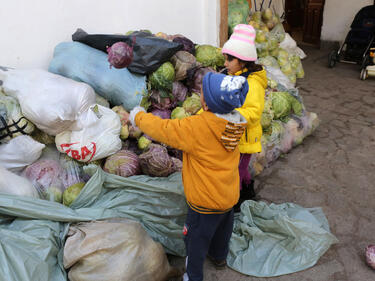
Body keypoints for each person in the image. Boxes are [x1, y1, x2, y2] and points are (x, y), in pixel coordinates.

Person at [129, 72, 248, 281]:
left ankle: (192, 276)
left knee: (195, 241)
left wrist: (138, 116)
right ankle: (219, 258)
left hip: (204, 203)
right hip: (228, 196)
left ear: (208, 103)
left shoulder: (198, 127)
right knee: (222, 231)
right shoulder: (234, 124)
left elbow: (163, 129)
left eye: (202, 93)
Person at [221, 23, 268, 211]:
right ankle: (249, 191)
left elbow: (254, 113)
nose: (225, 64)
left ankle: (235, 204)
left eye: (229, 60)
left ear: (243, 61)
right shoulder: (231, 75)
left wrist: (229, 114)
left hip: (244, 139)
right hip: (233, 134)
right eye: (225, 59)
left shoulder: (253, 84)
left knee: (235, 172)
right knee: (239, 169)